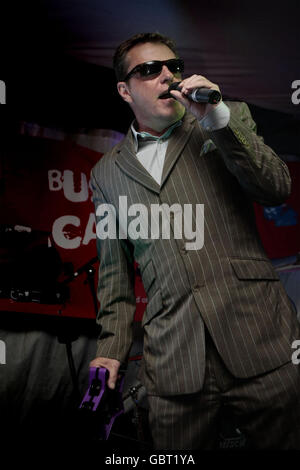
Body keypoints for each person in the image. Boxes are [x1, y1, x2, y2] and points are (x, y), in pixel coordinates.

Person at [89, 32, 300, 449]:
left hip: (260, 341)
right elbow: (114, 273)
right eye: (150, 69)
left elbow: (276, 188)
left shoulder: (224, 117)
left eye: (173, 66)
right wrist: (111, 349)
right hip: (174, 364)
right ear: (124, 89)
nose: (167, 75)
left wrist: (216, 119)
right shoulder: (106, 174)